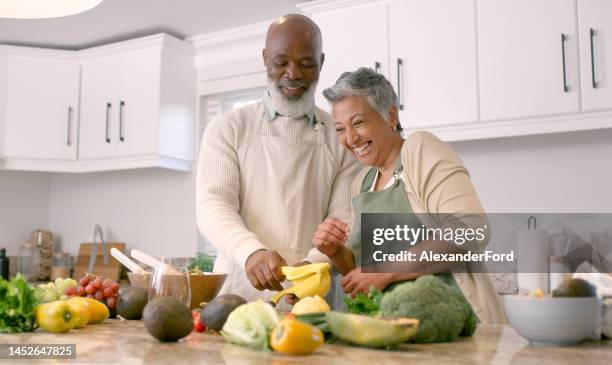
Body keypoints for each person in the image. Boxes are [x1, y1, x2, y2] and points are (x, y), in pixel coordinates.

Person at [313, 67, 506, 324]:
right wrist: (335, 251)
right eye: (340, 129)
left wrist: (386, 271)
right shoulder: (364, 181)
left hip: (451, 326)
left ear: (391, 115)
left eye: (358, 122)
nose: (349, 138)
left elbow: (470, 229)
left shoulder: (420, 149)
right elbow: (364, 275)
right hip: (387, 330)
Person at [196, 14, 359, 303]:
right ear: (264, 58)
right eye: (280, 62)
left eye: (306, 63)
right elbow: (213, 204)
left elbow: (342, 218)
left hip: (311, 296)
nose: (293, 73)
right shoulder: (227, 127)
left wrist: (312, 266)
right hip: (238, 293)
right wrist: (251, 252)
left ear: (321, 62)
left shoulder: (341, 136)